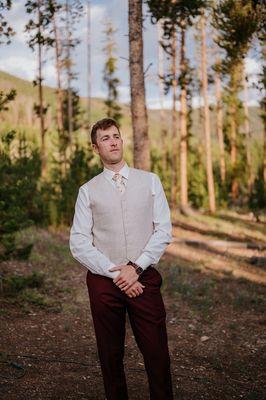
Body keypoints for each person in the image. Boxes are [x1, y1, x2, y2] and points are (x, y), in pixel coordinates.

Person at [69, 118, 174, 400]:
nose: (113, 141)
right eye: (105, 138)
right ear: (95, 148)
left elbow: (163, 230)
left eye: (116, 136)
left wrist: (136, 267)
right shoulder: (87, 191)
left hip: (145, 278)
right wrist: (118, 274)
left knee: (156, 352)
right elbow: (78, 242)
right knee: (110, 354)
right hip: (105, 283)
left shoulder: (150, 181)